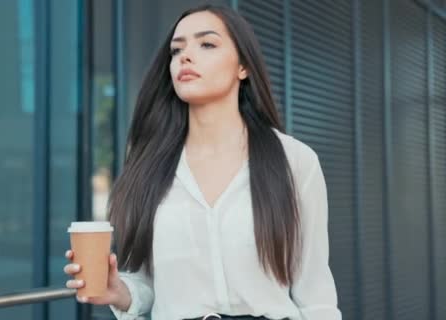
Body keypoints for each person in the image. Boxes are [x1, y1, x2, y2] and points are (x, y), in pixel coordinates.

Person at [64, 4, 341, 320]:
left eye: (206, 44)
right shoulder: (149, 164)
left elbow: (315, 294)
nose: (185, 56)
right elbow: (150, 284)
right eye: (176, 49)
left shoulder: (295, 161)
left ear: (243, 67)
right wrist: (120, 292)